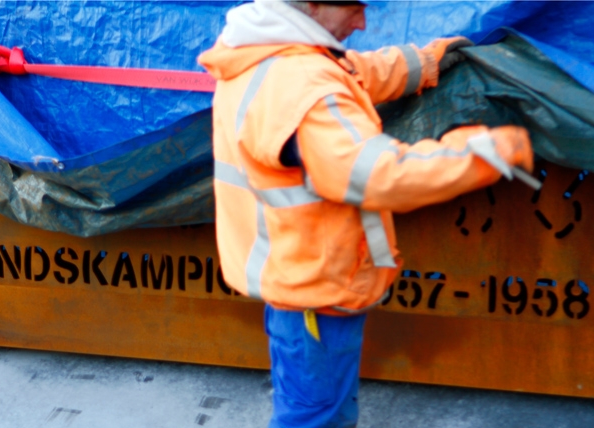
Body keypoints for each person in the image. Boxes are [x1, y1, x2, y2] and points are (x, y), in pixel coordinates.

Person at [198, 1, 534, 427]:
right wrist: (492, 151)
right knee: (317, 416)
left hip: (295, 276)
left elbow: (350, 73)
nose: (363, 21)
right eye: (353, 8)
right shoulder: (301, 84)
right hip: (317, 290)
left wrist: (423, 62)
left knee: (313, 402)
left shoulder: (264, 52)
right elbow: (379, 175)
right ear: (313, 6)